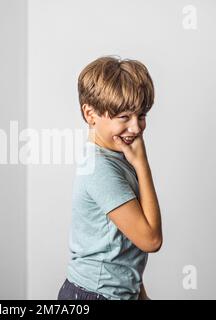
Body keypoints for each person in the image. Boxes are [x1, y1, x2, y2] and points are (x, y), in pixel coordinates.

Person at [57, 56, 162, 300]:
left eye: (141, 115)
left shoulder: (115, 158)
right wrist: (142, 164)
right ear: (90, 113)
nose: (136, 128)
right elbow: (151, 239)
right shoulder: (100, 169)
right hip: (95, 295)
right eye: (124, 117)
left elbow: (122, 251)